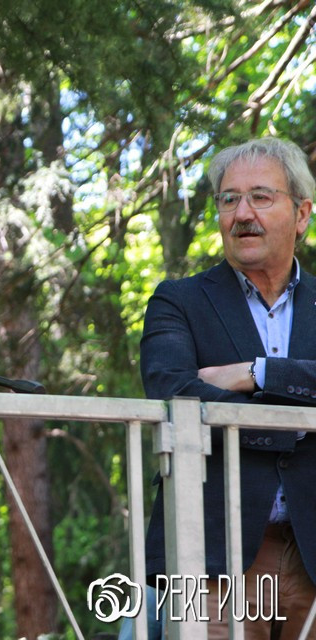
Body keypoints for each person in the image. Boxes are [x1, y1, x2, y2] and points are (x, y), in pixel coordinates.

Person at [140, 136, 316, 639]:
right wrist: (295, 424)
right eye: (229, 199)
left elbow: (209, 395)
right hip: (214, 556)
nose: (242, 214)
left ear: (302, 214)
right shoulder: (178, 301)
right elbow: (172, 389)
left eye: (261, 196)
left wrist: (258, 373)